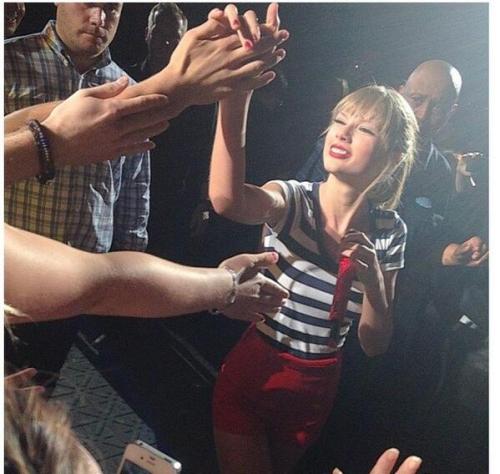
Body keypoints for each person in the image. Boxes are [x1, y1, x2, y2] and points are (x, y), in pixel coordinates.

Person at [4, 2, 288, 385]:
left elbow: (27, 127)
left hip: (63, 301)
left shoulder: (123, 83)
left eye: (112, 8)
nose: (98, 17)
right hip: (39, 281)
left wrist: (185, 84)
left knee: (29, 407)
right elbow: (102, 283)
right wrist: (226, 286)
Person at [208, 75, 418, 473]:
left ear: (392, 158)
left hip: (315, 390)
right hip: (257, 371)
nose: (344, 134)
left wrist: (373, 282)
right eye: (340, 121)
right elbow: (227, 199)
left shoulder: (392, 232)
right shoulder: (293, 200)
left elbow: (375, 344)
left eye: (365, 129)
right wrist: (235, 98)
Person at [4, 77, 170, 185]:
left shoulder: (124, 81)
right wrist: (58, 140)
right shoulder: (8, 57)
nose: (98, 20)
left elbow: (134, 183)